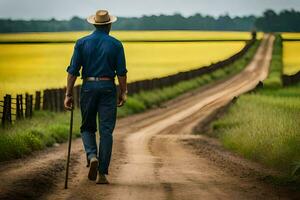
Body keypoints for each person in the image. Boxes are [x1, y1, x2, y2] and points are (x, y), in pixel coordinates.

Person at [64, 10, 128, 184]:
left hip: (88, 87)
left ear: (94, 24)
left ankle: (92, 155)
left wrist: (68, 94)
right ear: (109, 25)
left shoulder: (82, 43)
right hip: (108, 87)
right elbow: (121, 72)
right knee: (106, 131)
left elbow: (73, 71)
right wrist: (123, 91)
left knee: (87, 127)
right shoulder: (116, 44)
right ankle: (102, 173)